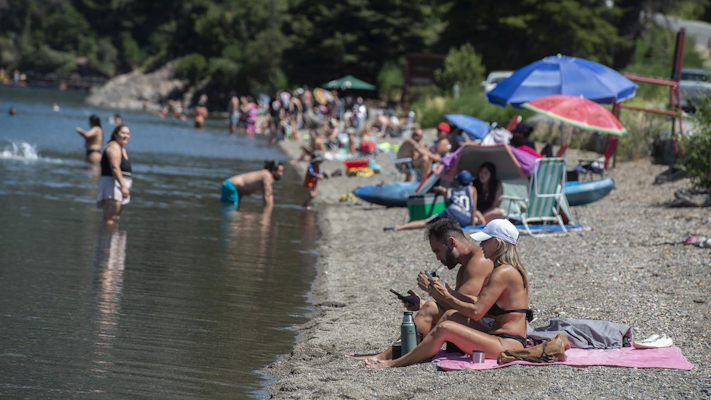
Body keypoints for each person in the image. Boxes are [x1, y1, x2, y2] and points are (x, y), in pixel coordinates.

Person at [367, 219, 531, 369]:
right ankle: (401, 355)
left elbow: (475, 312)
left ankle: (393, 363)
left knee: (445, 328)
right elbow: (477, 304)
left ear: (497, 243)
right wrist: (439, 296)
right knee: (450, 316)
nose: (481, 245)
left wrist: (443, 295)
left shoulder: (503, 272)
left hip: (507, 343)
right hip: (500, 337)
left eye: (485, 240)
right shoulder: (509, 270)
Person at [348, 218, 493, 361]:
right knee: (429, 307)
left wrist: (432, 289)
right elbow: (456, 306)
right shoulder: (465, 266)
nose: (437, 258)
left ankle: (390, 356)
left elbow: (464, 311)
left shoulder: (478, 263)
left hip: (489, 333)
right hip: (478, 326)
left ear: (451, 242)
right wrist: (421, 303)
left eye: (437, 251)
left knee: (430, 308)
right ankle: (397, 353)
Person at [385, 170, 475, 231]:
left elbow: (445, 192)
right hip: (466, 219)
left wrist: (439, 189)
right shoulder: (472, 189)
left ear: (457, 181)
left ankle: (399, 227)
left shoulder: (451, 190)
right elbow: (473, 207)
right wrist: (472, 223)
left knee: (426, 222)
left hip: (452, 212)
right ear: (470, 183)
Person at [97, 125, 132, 225]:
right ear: (115, 134)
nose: (126, 136)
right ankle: (106, 239)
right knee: (110, 218)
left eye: (128, 133)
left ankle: (114, 239)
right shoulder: (113, 146)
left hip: (120, 186)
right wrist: (123, 186)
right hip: (112, 186)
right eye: (123, 133)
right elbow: (115, 168)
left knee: (115, 218)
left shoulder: (122, 149)